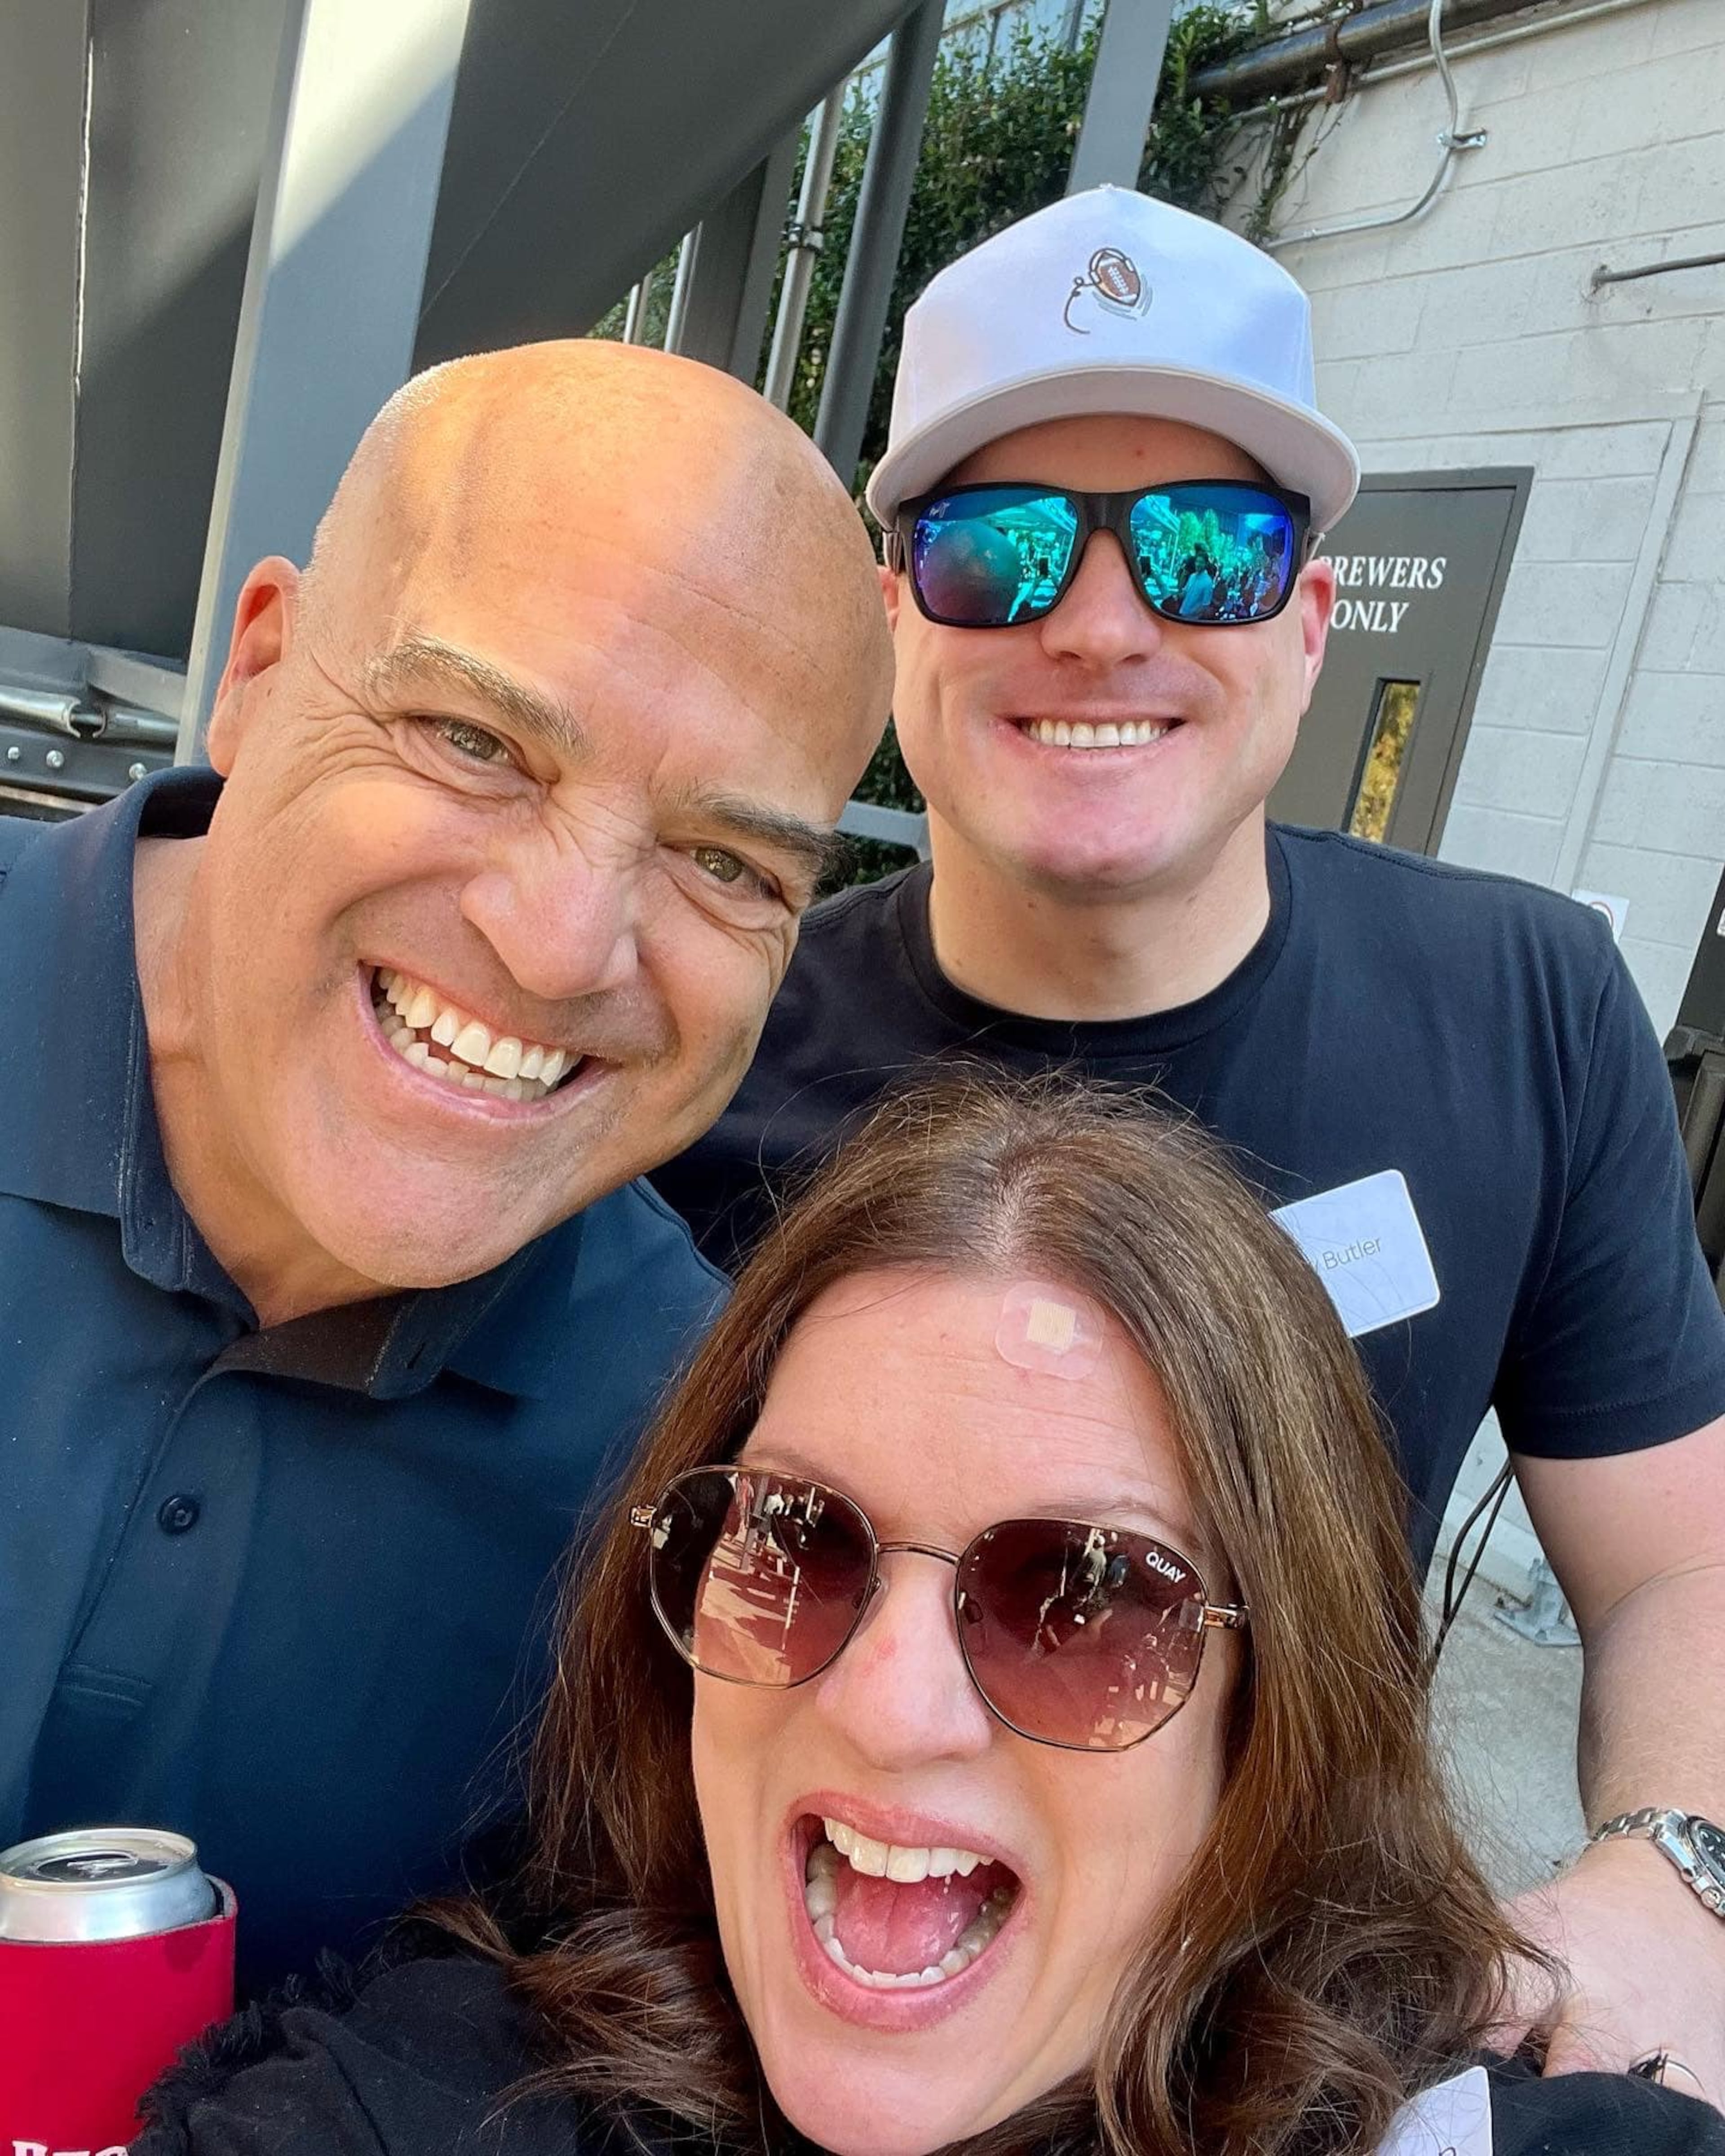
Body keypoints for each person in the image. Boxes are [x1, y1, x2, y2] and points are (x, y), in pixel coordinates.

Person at [650, 186, 1725, 2099]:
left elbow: (1676, 1567)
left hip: (1288, 2052)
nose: (1099, 619)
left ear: (1310, 621)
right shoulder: (706, 1051)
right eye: (997, 547)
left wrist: (1678, 1870)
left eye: (1209, 549)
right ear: (899, 611)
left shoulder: (1527, 1008)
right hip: (791, 2019)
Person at [138, 1080, 1724, 2156]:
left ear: (1273, 1720)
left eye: (1082, 1596)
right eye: (795, 1542)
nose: (890, 1704)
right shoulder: (430, 2088)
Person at [0, 340, 894, 1991]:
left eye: (721, 861)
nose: (557, 952)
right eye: (478, 740)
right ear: (261, 672)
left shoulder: (702, 1482)